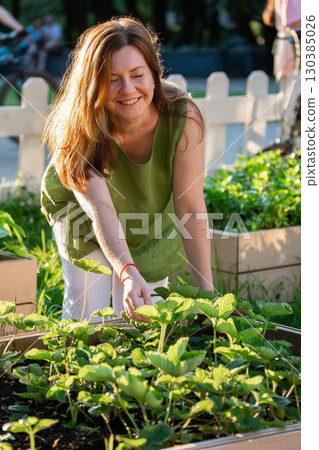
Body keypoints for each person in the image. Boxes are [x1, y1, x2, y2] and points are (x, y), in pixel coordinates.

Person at [41, 17, 213, 323]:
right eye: (112, 79)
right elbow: (100, 207)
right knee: (88, 320)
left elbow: (190, 206)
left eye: (137, 74)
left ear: (153, 73)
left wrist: (209, 295)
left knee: (146, 325)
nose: (128, 89)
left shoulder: (182, 118)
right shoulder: (80, 126)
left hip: (145, 221)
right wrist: (127, 272)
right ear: (93, 84)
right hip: (83, 216)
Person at [262, 0, 301, 89]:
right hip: (292, 45)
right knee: (290, 89)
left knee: (286, 88)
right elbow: (293, 24)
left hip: (286, 44)